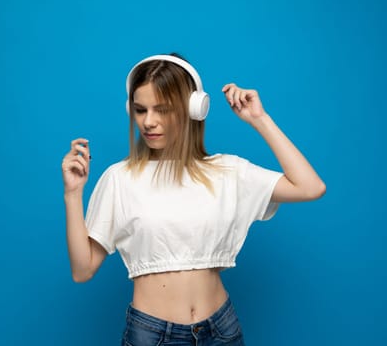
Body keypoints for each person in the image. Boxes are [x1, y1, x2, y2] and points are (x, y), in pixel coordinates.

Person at [61, 53, 326, 346]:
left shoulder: (227, 171)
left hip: (221, 330)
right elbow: (82, 270)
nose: (149, 122)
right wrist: (73, 194)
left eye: (162, 109)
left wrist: (260, 120)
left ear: (193, 109)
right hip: (151, 335)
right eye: (140, 110)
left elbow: (310, 187)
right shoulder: (119, 178)